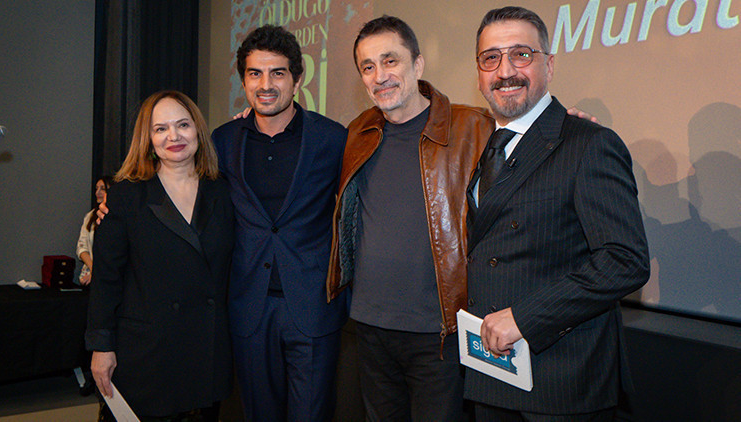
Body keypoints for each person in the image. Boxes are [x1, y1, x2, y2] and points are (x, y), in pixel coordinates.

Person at [465, 7, 650, 421]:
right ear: (478, 74)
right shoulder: (490, 144)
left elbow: (625, 260)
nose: (505, 71)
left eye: (521, 55)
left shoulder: (589, 143)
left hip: (561, 383)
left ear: (548, 65)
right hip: (492, 372)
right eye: (491, 58)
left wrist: (525, 318)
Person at [325, 16, 495, 420]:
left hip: (439, 334)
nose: (379, 76)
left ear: (417, 64)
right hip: (369, 328)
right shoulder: (358, 132)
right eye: (368, 66)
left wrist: (565, 127)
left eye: (390, 61)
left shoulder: (474, 126)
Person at [211, 25, 348, 421]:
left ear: (297, 79)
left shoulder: (332, 138)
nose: (266, 84)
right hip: (249, 306)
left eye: (277, 73)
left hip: (313, 306)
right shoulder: (223, 140)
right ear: (243, 80)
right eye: (255, 73)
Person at [86, 90, 234, 421]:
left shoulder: (223, 191)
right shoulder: (124, 196)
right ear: (148, 139)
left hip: (206, 350)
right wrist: (101, 346)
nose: (173, 136)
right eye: (161, 128)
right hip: (147, 353)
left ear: (198, 130)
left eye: (183, 125)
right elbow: (106, 281)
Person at [75, 175, 111, 286]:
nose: (97, 192)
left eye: (102, 189)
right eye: (96, 189)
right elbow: (81, 247)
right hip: (91, 273)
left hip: (110, 274)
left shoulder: (117, 217)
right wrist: (93, 269)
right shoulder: (90, 216)